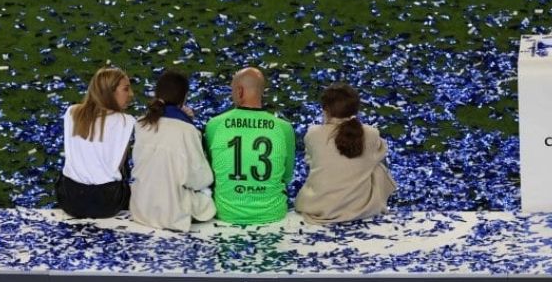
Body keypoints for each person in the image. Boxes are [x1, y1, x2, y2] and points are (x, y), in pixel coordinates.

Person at [295, 83, 396, 224]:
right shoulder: (371, 133)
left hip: (319, 206)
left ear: (325, 109)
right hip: (362, 207)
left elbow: (310, 161)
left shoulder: (313, 133)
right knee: (377, 166)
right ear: (356, 108)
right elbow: (381, 153)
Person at [205, 67, 295, 224]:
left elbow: (211, 174)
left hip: (227, 213)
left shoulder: (215, 125)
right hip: (272, 213)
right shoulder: (284, 128)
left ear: (239, 91)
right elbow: (286, 177)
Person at [130, 70, 215, 231]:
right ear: (184, 98)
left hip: (141, 208)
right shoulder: (187, 130)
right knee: (206, 194)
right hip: (172, 213)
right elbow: (201, 178)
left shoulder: (141, 123)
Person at [56, 67, 135, 218]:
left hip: (69, 199)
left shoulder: (72, 112)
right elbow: (119, 166)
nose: (130, 94)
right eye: (125, 89)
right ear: (110, 92)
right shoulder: (126, 121)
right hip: (107, 203)